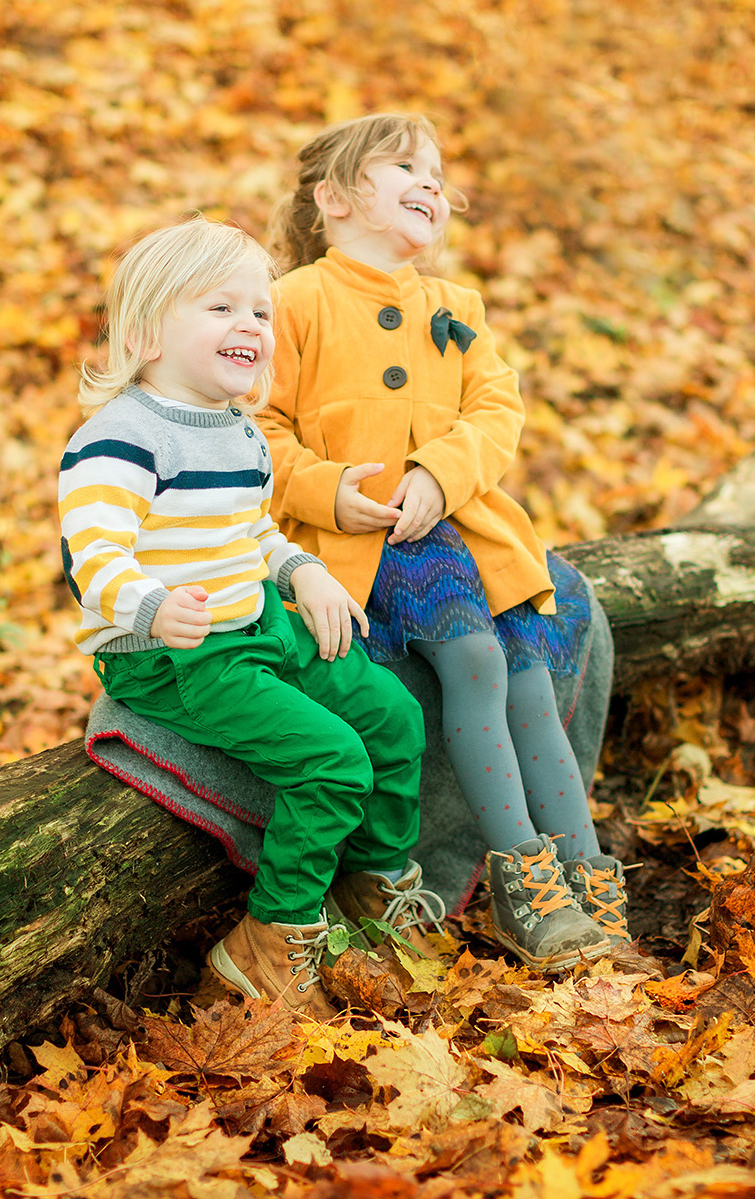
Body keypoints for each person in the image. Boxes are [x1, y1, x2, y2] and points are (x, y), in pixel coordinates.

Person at [261, 113, 631, 972]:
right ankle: (522, 887)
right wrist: (329, 489)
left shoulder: (456, 308)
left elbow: (497, 414)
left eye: (438, 173)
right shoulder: (296, 303)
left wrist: (438, 473)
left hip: (467, 529)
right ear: (335, 198)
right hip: (369, 540)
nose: (432, 183)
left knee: (531, 676)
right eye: (404, 167)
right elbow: (260, 430)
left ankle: (583, 877)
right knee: (473, 659)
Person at [59, 215, 444, 1019]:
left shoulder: (239, 430)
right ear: (145, 333)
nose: (251, 326)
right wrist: (154, 608)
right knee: (333, 761)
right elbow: (92, 559)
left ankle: (369, 895)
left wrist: (303, 572)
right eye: (220, 308)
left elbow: (250, 530)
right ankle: (268, 938)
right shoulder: (119, 439)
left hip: (259, 617)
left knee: (395, 716)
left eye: (261, 312)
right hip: (177, 653)